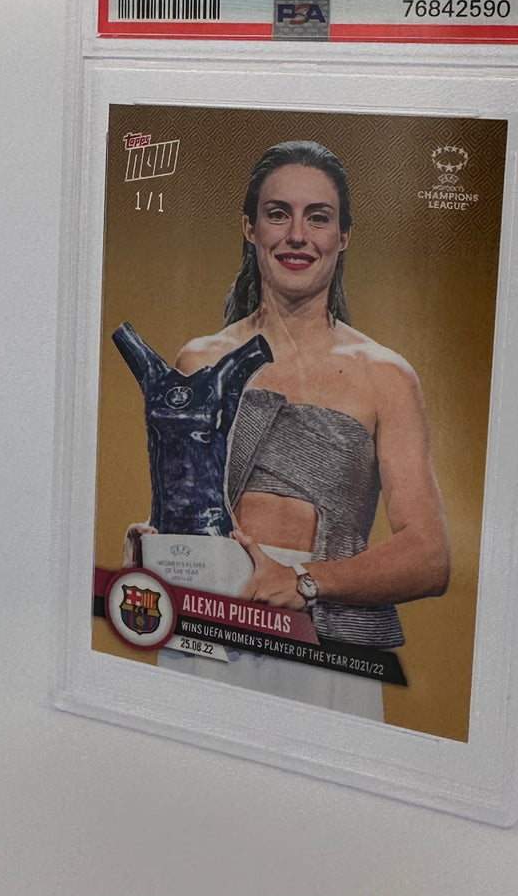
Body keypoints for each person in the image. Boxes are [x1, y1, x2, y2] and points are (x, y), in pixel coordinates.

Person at [130, 141, 450, 718]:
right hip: (209, 631)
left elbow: (429, 556)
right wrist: (155, 547)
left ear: (343, 236)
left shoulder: (385, 377)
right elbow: (188, 510)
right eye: (278, 214)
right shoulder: (199, 361)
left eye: (318, 218)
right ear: (250, 229)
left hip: (326, 649)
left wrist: (304, 581)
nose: (297, 235)